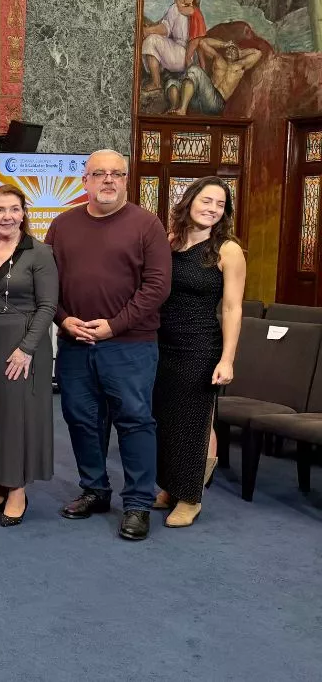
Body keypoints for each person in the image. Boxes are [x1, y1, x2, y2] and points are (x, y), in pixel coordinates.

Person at [46, 149, 171, 541]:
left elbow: (157, 287)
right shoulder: (62, 226)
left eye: (117, 173)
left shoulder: (146, 225)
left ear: (126, 180)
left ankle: (137, 504)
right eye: (99, 173)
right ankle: (95, 490)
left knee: (134, 421)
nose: (108, 180)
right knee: (82, 419)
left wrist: (113, 327)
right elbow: (46, 284)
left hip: (130, 345)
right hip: (75, 343)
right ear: (84, 181)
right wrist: (63, 319)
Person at [152, 177, 245, 527]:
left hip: (200, 346)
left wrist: (227, 358)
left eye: (220, 205)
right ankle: (170, 486)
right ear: (190, 201)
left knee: (192, 422)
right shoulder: (171, 242)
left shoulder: (228, 250)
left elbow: (233, 309)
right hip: (162, 343)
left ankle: (190, 497)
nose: (212, 209)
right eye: (207, 201)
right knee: (165, 418)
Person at [0, 186, 58, 527]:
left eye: (14, 209)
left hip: (24, 344)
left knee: (18, 417)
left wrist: (27, 349)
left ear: (23, 214)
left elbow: (48, 306)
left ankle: (17, 488)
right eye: (0, 209)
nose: (7, 216)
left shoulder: (40, 253)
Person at [165, 38, 262, 116]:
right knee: (172, 82)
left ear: (238, 54)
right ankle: (175, 108)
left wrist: (241, 52)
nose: (230, 50)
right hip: (200, 99)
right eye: (229, 49)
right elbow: (202, 42)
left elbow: (258, 53)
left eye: (233, 50)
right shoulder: (218, 58)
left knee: (195, 70)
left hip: (216, 104)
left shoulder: (240, 65)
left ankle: (182, 110)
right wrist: (224, 44)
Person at [141, 0, 192, 92]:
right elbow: (163, 22)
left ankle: (156, 83)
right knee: (155, 38)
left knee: (151, 40)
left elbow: (165, 29)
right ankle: (159, 74)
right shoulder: (183, 8)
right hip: (184, 55)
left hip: (180, 54)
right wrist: (152, 26)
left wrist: (147, 31)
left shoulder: (176, 8)